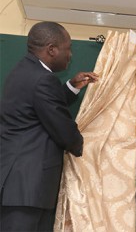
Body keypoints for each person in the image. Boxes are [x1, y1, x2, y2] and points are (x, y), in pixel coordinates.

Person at [0, 21, 98, 231]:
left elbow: (41, 107)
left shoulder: (23, 71)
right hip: (27, 189)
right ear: (52, 50)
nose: (70, 54)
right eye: (68, 48)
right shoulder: (43, 79)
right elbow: (62, 129)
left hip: (18, 185)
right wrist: (84, 143)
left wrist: (71, 86)